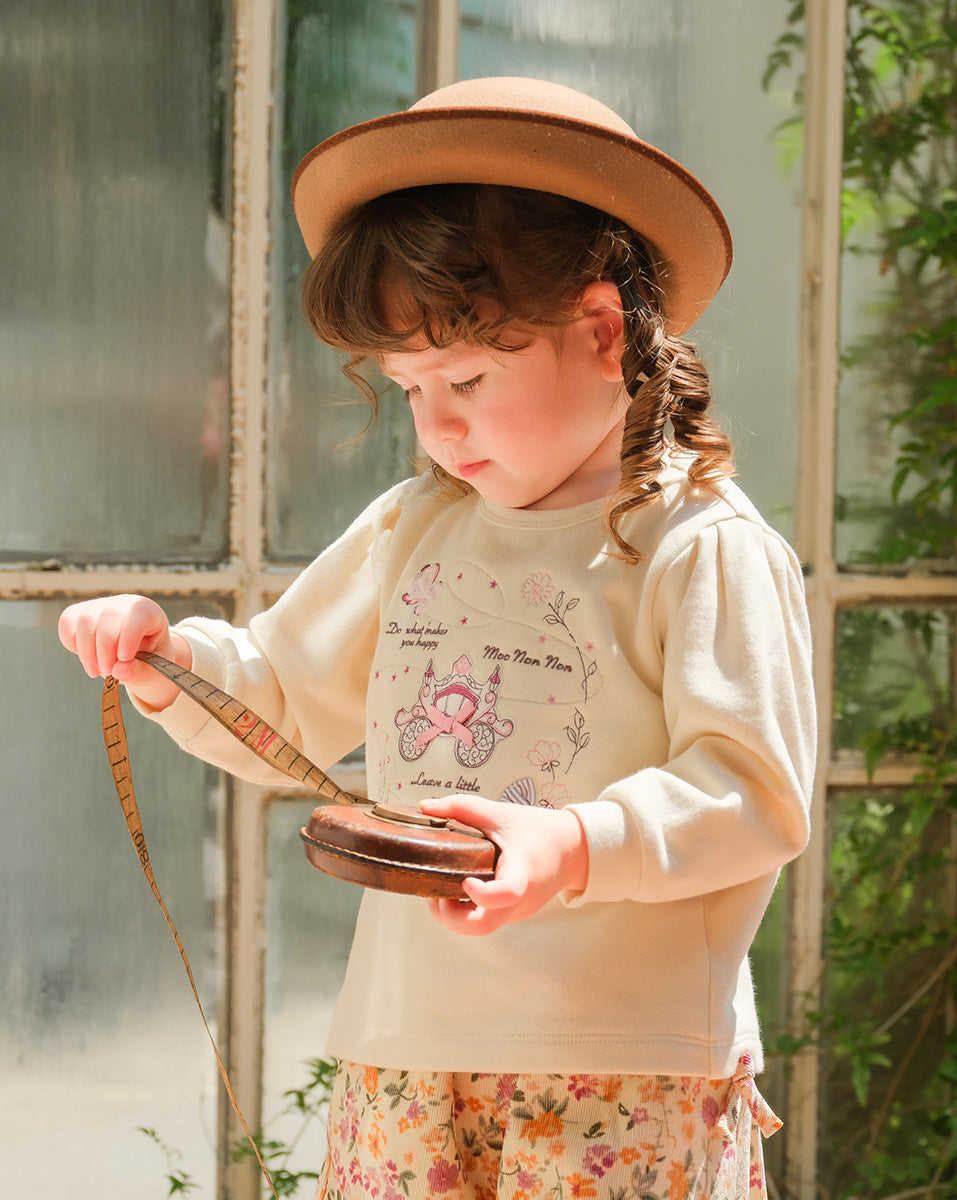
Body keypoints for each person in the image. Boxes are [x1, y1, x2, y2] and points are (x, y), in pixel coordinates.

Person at [60, 77, 816, 1200]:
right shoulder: (416, 527)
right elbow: (281, 692)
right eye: (409, 387)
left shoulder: (698, 543)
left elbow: (752, 794)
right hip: (406, 1052)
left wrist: (569, 846)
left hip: (624, 1068)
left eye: (465, 377)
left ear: (603, 331)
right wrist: (169, 661)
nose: (435, 423)